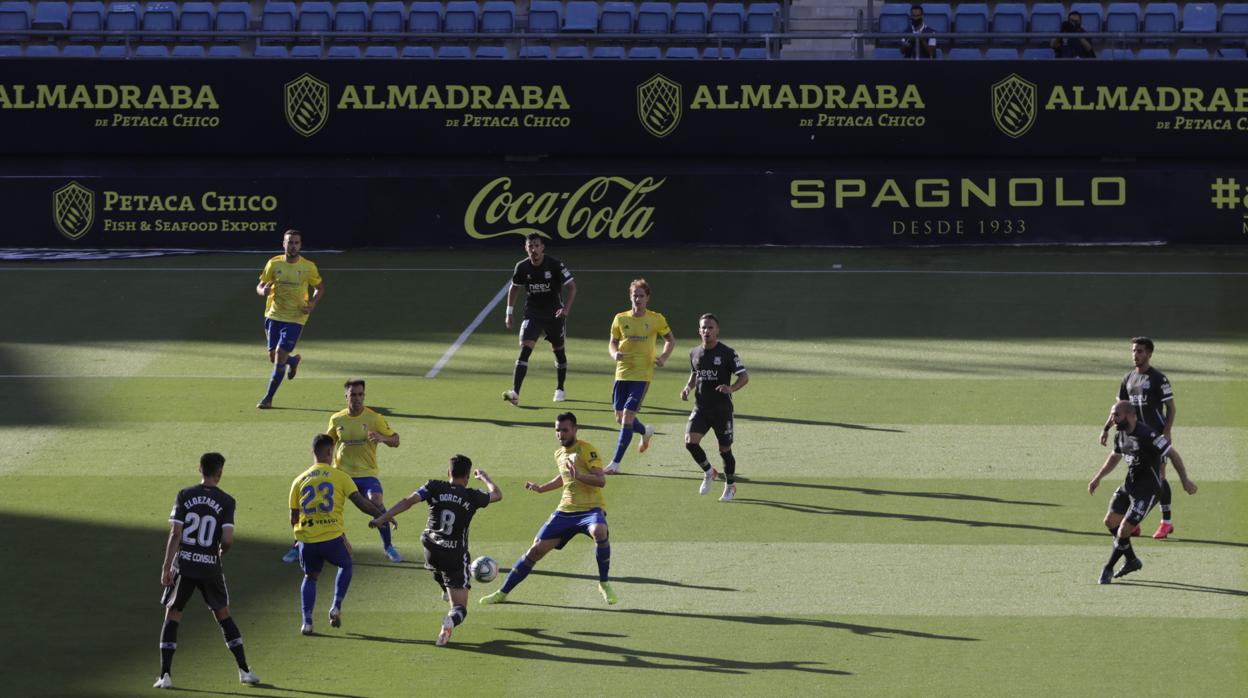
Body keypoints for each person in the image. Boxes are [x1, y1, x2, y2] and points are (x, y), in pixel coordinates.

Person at [480, 412, 618, 606]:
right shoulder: (559, 453)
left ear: (575, 430)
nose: (560, 434)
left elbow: (600, 480)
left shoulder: (587, 450)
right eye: (557, 430)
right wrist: (542, 488)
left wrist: (578, 475)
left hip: (590, 510)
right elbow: (564, 477)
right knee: (535, 551)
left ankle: (604, 583)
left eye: (565, 430)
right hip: (565, 511)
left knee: (599, 530)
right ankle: (502, 592)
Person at [369, 455, 501, 646]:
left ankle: (444, 591)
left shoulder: (434, 486)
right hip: (454, 554)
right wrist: (487, 479)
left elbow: (407, 501)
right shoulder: (472, 495)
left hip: (430, 547)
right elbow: (497, 495)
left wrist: (383, 518)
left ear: (448, 472)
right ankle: (450, 620)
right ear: (467, 476)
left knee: (436, 567)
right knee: (460, 608)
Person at [154, 453, 259, 689]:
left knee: (173, 615)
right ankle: (244, 670)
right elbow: (228, 539)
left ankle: (165, 675)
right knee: (223, 615)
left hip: (184, 565)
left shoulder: (185, 494)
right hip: (210, 565)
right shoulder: (227, 501)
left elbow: (175, 534)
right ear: (220, 472)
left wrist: (166, 567)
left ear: (199, 469)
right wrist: (221, 550)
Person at [283, 379, 403, 564]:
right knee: (316, 504)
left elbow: (396, 440)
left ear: (364, 395)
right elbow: (325, 445)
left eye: (360, 394)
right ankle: (298, 544)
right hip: (340, 474)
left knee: (376, 500)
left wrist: (382, 437)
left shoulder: (374, 418)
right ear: (346, 396)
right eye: (353, 394)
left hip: (367, 473)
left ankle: (388, 546)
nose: (357, 398)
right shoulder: (337, 419)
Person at [289, 433, 389, 636]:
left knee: (310, 577)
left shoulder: (298, 481)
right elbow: (361, 503)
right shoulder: (340, 477)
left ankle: (307, 622)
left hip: (307, 539)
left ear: (312, 452)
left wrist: (298, 538)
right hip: (332, 537)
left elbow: (293, 516)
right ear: (329, 452)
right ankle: (336, 605)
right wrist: (383, 516)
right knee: (346, 564)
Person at [1089, 401, 1196, 584]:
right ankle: (1131, 560)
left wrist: (1185, 481)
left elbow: (1172, 454)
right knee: (1110, 521)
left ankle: (1108, 568)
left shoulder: (1149, 435)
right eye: (1113, 415)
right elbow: (1115, 456)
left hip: (1149, 491)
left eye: (1117, 415)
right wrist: (1098, 478)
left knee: (1124, 530)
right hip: (1130, 485)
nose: (1113, 419)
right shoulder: (1120, 434)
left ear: (1130, 415)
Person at [1098, 337, 1177, 539]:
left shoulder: (1158, 379)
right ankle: (1133, 522)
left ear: (1149, 354)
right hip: (1134, 438)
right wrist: (1107, 428)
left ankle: (1166, 522)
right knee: (1138, 478)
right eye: (1134, 351)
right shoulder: (1127, 379)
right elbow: (1119, 408)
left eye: (1140, 351)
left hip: (1153, 437)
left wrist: (1166, 432)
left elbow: (1171, 408)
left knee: (1159, 477)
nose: (1136, 355)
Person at [603, 278, 675, 475]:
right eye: (635, 295)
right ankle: (645, 431)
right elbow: (612, 342)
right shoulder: (620, 318)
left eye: (641, 296)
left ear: (648, 298)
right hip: (622, 373)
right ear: (630, 296)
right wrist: (613, 353)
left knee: (627, 415)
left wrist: (663, 357)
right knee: (620, 418)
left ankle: (615, 463)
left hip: (642, 374)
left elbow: (670, 340)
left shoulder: (656, 319)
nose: (638, 299)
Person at [680, 313, 749, 502]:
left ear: (717, 330)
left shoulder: (727, 353)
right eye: (703, 328)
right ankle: (709, 471)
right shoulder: (694, 353)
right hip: (701, 408)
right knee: (690, 442)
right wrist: (687, 387)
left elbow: (744, 377)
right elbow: (695, 373)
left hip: (721, 410)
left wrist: (731, 388)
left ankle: (730, 485)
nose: (707, 331)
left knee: (724, 450)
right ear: (699, 331)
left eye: (710, 328)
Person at [503, 233, 577, 406]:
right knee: (525, 349)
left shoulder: (555, 264)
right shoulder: (521, 267)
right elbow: (514, 289)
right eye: (530, 246)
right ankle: (515, 392)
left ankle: (560, 388)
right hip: (533, 314)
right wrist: (509, 312)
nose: (534, 250)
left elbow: (572, 287)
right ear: (526, 248)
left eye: (536, 246)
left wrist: (566, 309)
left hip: (554, 315)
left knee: (558, 350)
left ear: (543, 247)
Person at [255, 229, 325, 409]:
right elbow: (261, 285)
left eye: (296, 243)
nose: (293, 246)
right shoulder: (274, 263)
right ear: (283, 244)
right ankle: (292, 361)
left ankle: (268, 398)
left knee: (279, 354)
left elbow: (319, 287)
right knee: (274, 357)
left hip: (296, 316)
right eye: (290, 242)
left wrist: (313, 303)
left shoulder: (308, 267)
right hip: (273, 314)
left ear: (300, 245)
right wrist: (263, 291)